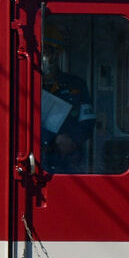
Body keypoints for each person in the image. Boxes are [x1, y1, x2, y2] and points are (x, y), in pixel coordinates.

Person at [40, 28, 95, 173]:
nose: (39, 55)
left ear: (56, 53)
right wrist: (51, 139)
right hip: (36, 159)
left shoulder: (76, 84)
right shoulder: (25, 85)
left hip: (69, 161)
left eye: (44, 50)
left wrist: (72, 141)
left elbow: (88, 121)